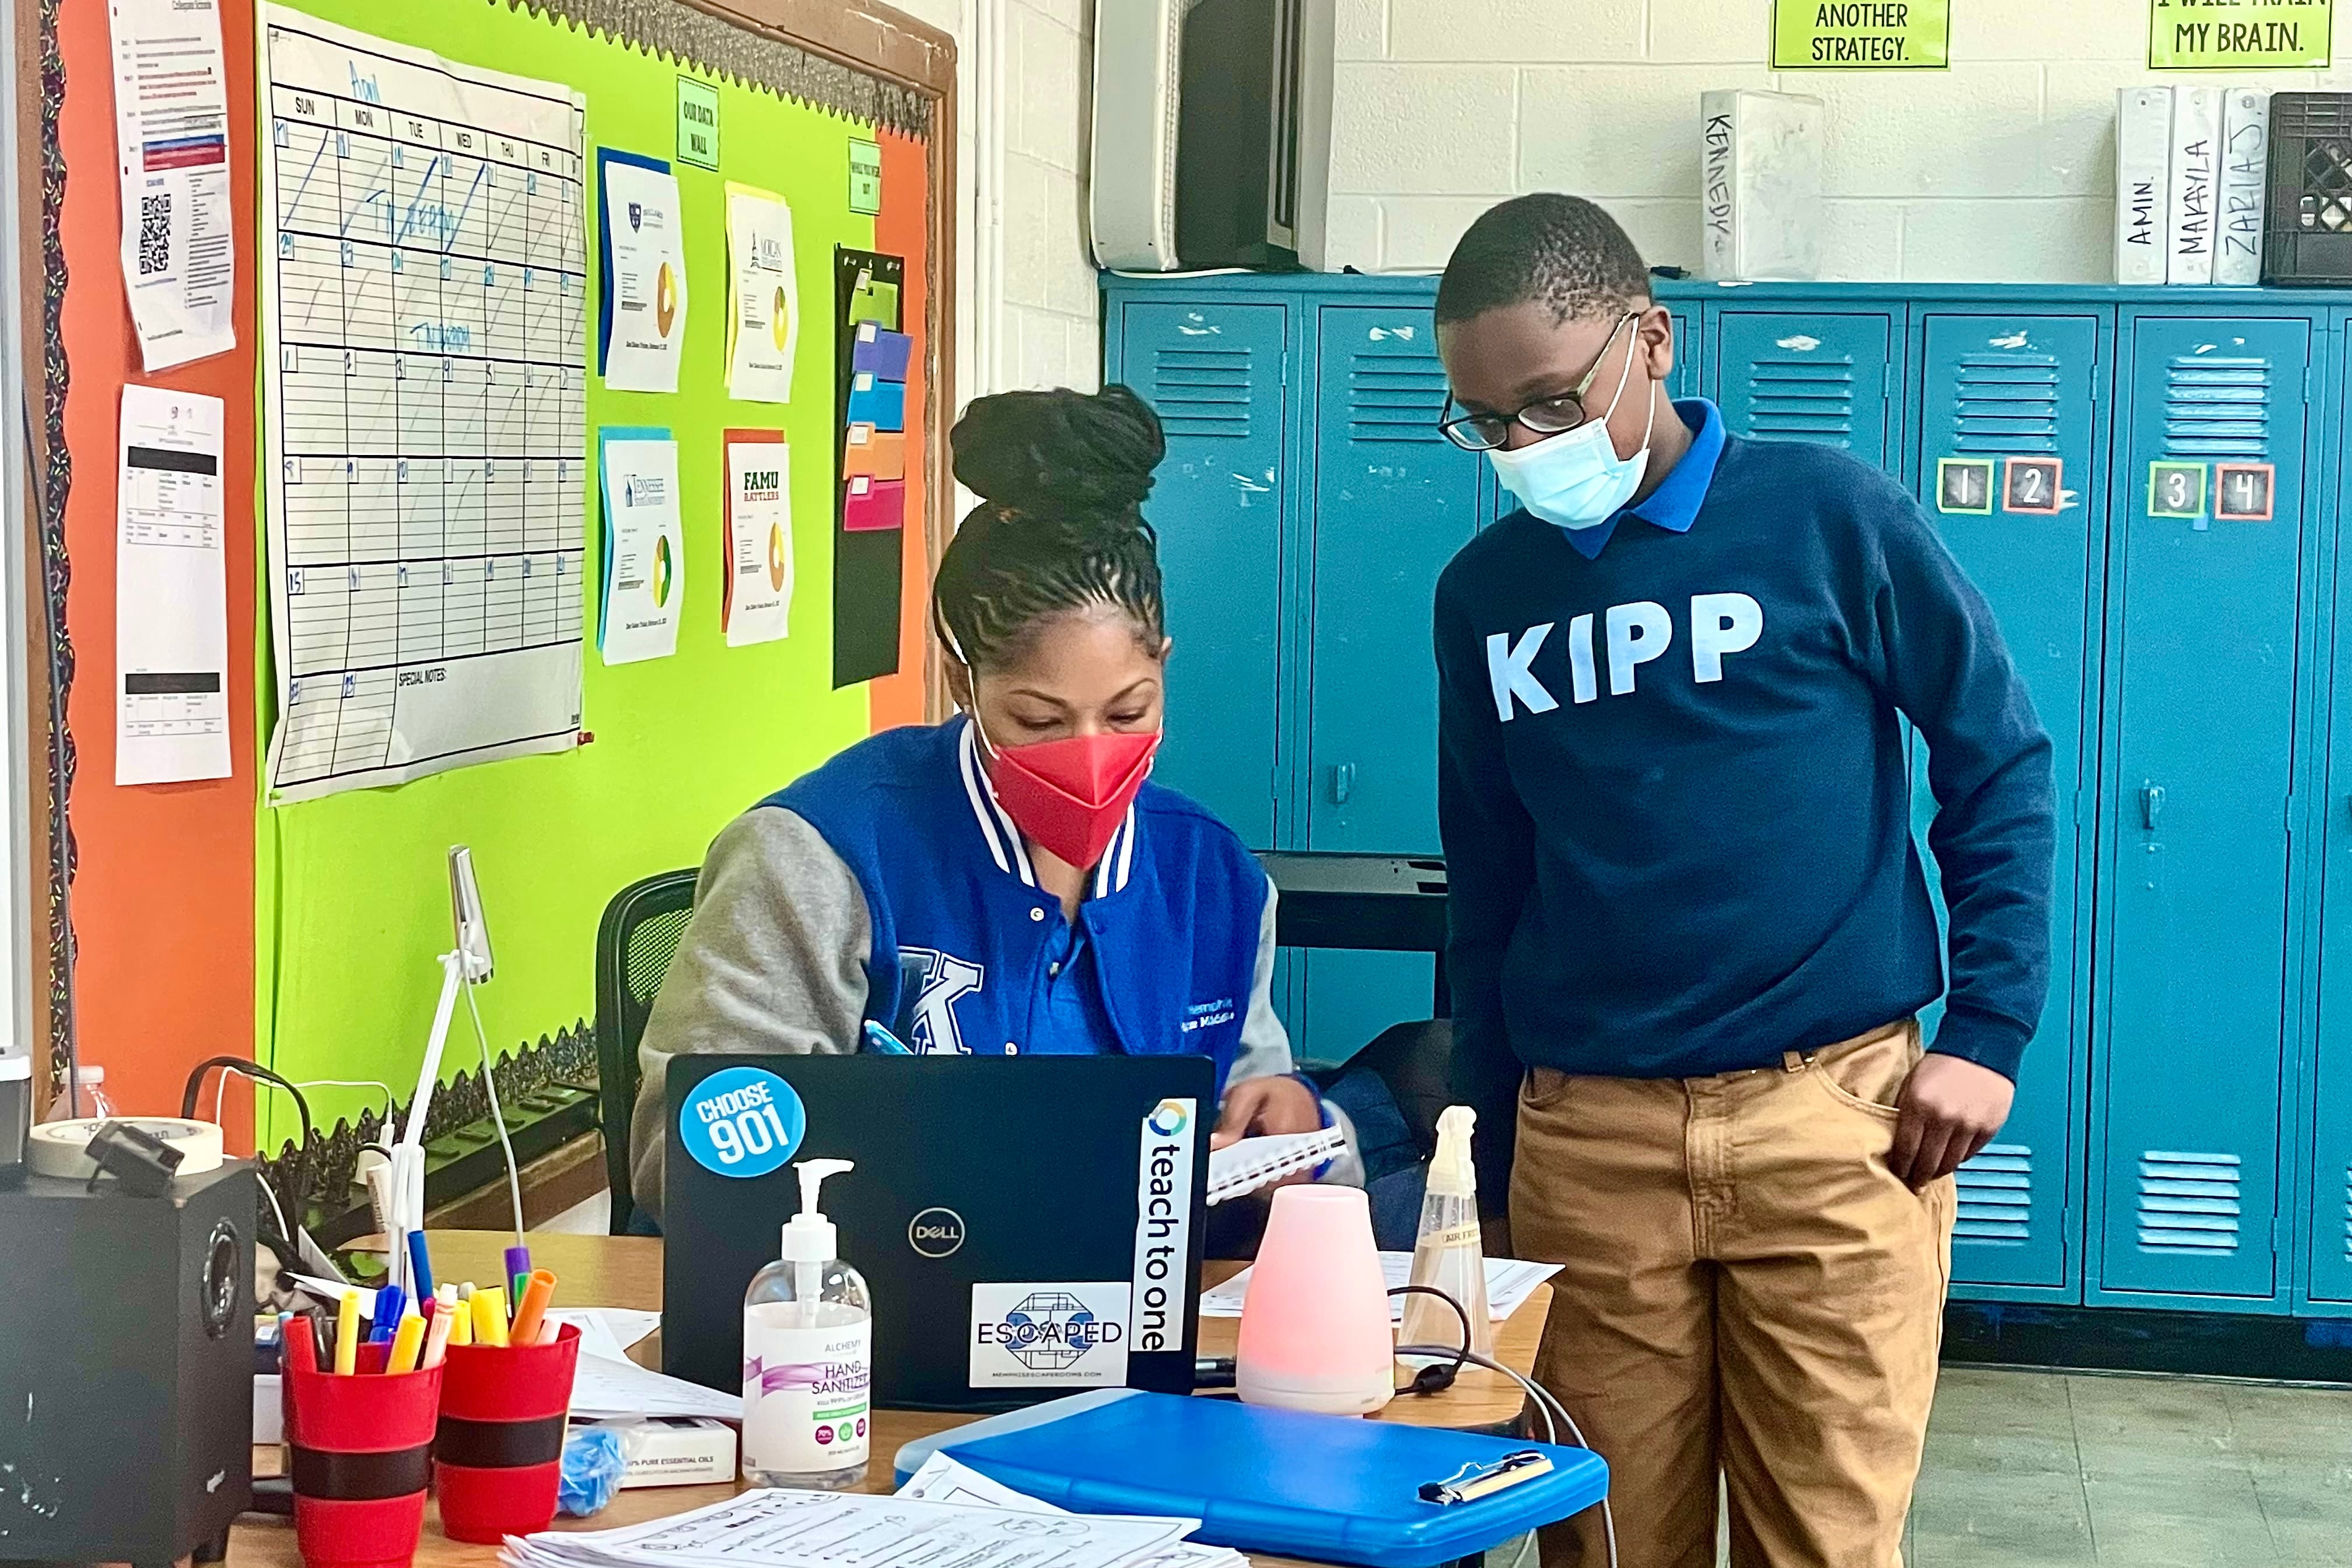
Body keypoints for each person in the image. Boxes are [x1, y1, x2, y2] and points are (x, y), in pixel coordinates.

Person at [1431, 195, 2054, 1567]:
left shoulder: (1828, 516)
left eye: (1549, 401)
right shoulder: (1483, 594)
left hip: (1834, 1123)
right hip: (1588, 1144)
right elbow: (1490, 882)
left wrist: (1990, 1032)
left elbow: (1997, 759)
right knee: (1601, 1546)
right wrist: (1479, 1149)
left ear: (1651, 339)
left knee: (1824, 1546)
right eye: (1485, 421)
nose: (1525, 446)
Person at [627, 384, 1359, 1230]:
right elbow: (684, 1165)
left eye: (1129, 712)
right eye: (1039, 721)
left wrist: (1303, 1127)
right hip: (874, 1325)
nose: (1087, 754)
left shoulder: (1213, 878)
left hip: (1141, 1333)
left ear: (1164, 665)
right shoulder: (817, 858)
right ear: (962, 683)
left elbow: (1262, 1115)